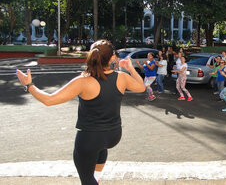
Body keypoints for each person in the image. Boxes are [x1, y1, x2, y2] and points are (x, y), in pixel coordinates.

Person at [16, 40, 145, 185]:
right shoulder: (121, 77)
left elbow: (49, 100)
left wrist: (28, 85)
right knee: (100, 151)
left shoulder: (83, 81)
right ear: (112, 58)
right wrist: (130, 68)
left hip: (90, 138)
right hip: (113, 135)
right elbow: (141, 87)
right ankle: (97, 178)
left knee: (87, 180)